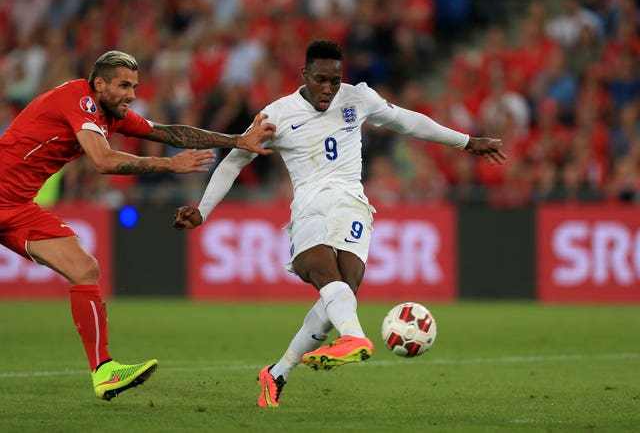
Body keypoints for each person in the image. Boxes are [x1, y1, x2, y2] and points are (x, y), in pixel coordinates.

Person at [173, 40, 506, 408]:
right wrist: (204, 209)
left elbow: (407, 121)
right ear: (304, 75)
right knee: (320, 272)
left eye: (335, 80)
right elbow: (236, 160)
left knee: (340, 293)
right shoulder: (277, 114)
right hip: (311, 206)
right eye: (321, 80)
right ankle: (355, 337)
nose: (329, 89)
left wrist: (466, 142)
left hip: (352, 206)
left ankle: (277, 372)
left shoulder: (357, 98)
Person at [0, 50, 275, 401]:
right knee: (86, 267)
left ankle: (104, 371)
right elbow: (102, 160)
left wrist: (237, 141)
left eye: (135, 86)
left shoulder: (110, 115)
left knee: (85, 268)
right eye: (124, 86)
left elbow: (171, 133)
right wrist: (168, 166)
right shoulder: (78, 100)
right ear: (99, 84)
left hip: (16, 206)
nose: (131, 94)